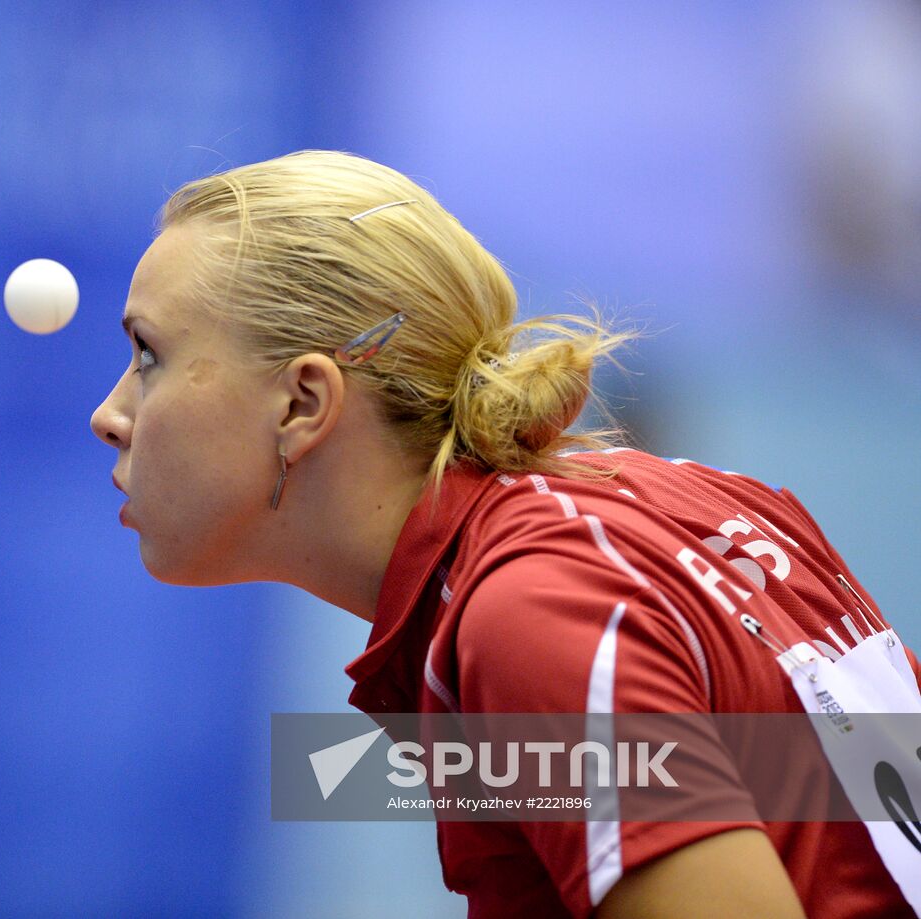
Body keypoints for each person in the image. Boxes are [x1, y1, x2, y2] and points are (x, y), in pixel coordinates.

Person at [88, 150, 921, 918]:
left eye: (149, 354)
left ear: (304, 404)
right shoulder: (700, 502)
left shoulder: (534, 609)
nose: (110, 415)